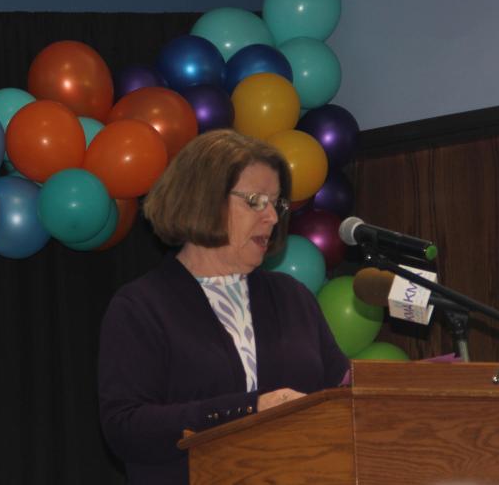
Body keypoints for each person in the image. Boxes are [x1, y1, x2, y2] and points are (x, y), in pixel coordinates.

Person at [97, 129, 351, 484]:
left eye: (276, 203)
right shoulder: (142, 306)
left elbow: (341, 399)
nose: (273, 218)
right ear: (203, 199)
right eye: (255, 201)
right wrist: (247, 409)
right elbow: (125, 428)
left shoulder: (293, 298)